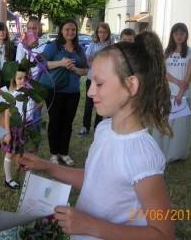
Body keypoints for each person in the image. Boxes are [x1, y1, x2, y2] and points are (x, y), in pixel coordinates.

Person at [19, 32, 175, 239]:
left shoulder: (142, 156)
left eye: (99, 84)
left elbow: (163, 234)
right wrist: (47, 166)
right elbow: (94, 180)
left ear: (131, 85)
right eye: (91, 83)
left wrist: (91, 226)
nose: (90, 92)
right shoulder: (104, 129)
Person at [42, 19, 88, 165]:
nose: (70, 32)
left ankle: (64, 152)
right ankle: (54, 154)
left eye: (73, 30)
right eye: (67, 29)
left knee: (67, 123)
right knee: (55, 121)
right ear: (61, 30)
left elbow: (85, 70)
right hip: (55, 91)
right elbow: (41, 63)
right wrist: (60, 63)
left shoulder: (79, 49)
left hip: (73, 92)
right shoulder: (53, 46)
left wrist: (74, 69)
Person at [153, 23, 191, 163]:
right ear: (172, 35)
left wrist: (180, 93)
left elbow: (188, 77)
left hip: (182, 96)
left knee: (179, 126)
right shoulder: (166, 52)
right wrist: (177, 83)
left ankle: (176, 154)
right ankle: (160, 151)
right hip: (166, 94)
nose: (179, 36)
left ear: (186, 35)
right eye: (176, 33)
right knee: (164, 123)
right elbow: (163, 72)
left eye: (182, 33)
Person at [2, 68, 35, 190]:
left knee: (23, 152)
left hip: (27, 125)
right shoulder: (13, 95)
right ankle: (8, 179)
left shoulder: (30, 92)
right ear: (14, 80)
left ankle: (24, 173)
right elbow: (7, 114)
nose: (22, 81)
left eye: (25, 78)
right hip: (15, 127)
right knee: (10, 153)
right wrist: (7, 132)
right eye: (19, 78)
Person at [78, 22, 112, 136]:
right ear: (97, 33)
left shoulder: (111, 46)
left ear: (108, 33)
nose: (102, 34)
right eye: (100, 32)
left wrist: (96, 59)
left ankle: (98, 127)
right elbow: (87, 59)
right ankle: (85, 127)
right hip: (91, 78)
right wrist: (94, 62)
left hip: (104, 80)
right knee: (89, 104)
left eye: (105, 32)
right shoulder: (93, 44)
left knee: (100, 104)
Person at [15, 16, 44, 132]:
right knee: (23, 111)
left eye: (35, 28)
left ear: (40, 29)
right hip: (24, 83)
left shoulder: (44, 45)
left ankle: (34, 140)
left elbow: (44, 64)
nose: (32, 30)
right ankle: (22, 136)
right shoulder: (22, 45)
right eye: (29, 28)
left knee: (36, 113)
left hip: (38, 84)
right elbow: (19, 64)